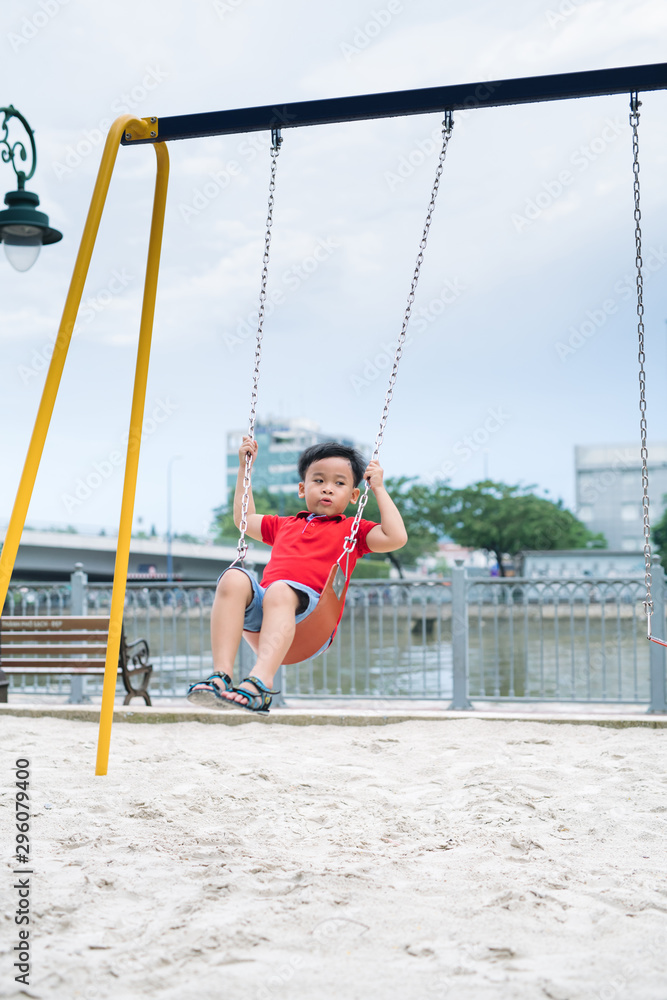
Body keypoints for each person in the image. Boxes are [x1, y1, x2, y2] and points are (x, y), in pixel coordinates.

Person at [187, 436, 407, 713]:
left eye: (339, 483)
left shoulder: (353, 530)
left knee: (280, 589)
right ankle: (220, 677)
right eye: (319, 481)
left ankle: (260, 683)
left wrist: (379, 489)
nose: (327, 489)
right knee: (232, 577)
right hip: (265, 614)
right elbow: (244, 518)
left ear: (353, 496)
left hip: (312, 622)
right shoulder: (285, 525)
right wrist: (245, 469)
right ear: (303, 488)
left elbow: (396, 537)